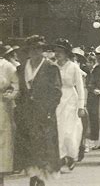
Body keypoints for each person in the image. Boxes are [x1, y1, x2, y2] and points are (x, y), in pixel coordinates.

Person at [14, 35, 62, 186]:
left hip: (44, 113)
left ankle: (40, 177)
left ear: (43, 50)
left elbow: (56, 91)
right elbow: (19, 90)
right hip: (26, 113)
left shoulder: (50, 67)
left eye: (39, 49)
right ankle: (32, 174)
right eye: (33, 49)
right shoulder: (21, 68)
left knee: (44, 145)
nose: (36, 52)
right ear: (28, 51)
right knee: (29, 144)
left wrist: (49, 110)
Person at [51, 38, 85, 171]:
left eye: (60, 51)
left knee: (70, 130)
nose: (57, 54)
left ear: (66, 53)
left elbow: (80, 87)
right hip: (56, 100)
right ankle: (61, 156)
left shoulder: (73, 67)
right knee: (58, 129)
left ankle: (71, 156)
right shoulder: (53, 66)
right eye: (56, 51)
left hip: (71, 100)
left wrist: (81, 106)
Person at [0, 45, 19, 186]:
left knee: (3, 141)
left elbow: (16, 85)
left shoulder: (7, 66)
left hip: (2, 106)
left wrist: (10, 95)